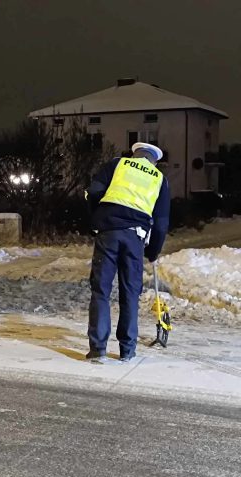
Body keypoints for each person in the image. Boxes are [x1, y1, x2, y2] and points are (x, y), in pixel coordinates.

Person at [85, 142, 171, 362]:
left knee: (101, 291)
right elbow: (161, 224)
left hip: (109, 232)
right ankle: (127, 350)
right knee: (130, 293)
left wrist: (97, 218)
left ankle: (98, 350)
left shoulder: (117, 165)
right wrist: (153, 251)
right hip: (135, 238)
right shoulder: (159, 179)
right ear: (154, 161)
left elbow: (94, 191)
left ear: (134, 154)